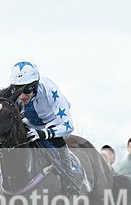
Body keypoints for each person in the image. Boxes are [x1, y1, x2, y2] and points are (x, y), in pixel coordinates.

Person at [7, 61, 84, 194]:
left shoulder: (49, 88)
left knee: (57, 139)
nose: (22, 96)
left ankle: (69, 176)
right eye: (18, 90)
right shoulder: (15, 94)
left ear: (35, 86)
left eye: (27, 90)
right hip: (31, 120)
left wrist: (43, 133)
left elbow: (68, 126)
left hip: (53, 121)